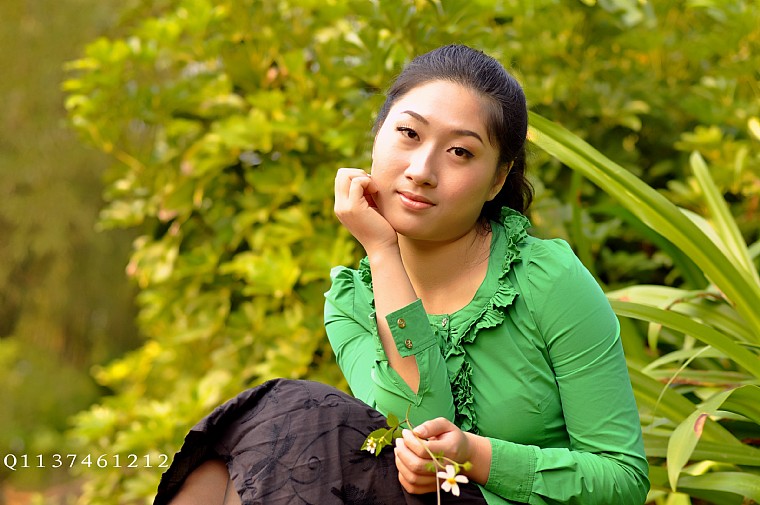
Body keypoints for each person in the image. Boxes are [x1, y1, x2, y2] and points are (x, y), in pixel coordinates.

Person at [153, 44, 649, 505]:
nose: (422, 170)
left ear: (498, 179)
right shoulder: (351, 303)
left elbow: (624, 478)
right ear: (377, 136)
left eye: (460, 152)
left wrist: (477, 458)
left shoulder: (546, 279)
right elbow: (414, 429)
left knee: (299, 409)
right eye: (409, 134)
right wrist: (383, 252)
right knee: (235, 451)